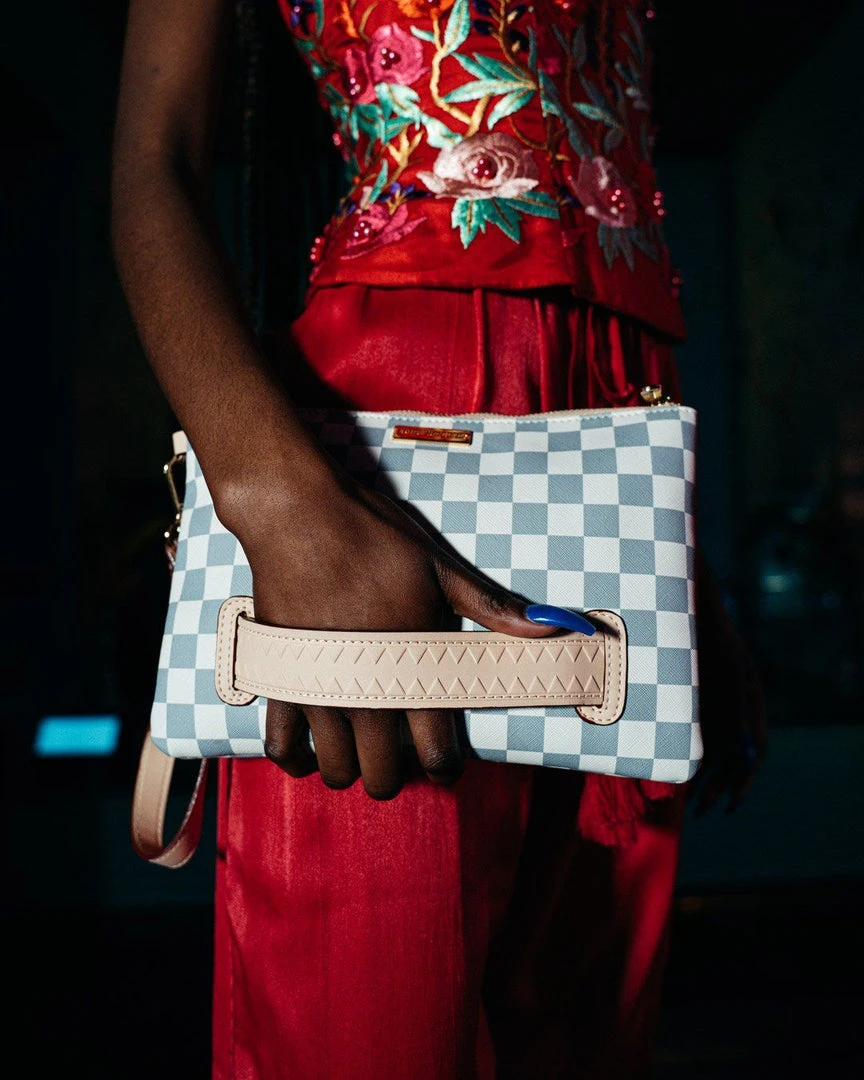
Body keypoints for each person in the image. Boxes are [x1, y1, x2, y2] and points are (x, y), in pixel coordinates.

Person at [110, 1, 766, 1077]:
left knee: (587, 1031)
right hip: (392, 444)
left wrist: (686, 569)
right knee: (374, 1030)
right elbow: (155, 159)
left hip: (623, 456)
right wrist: (282, 504)